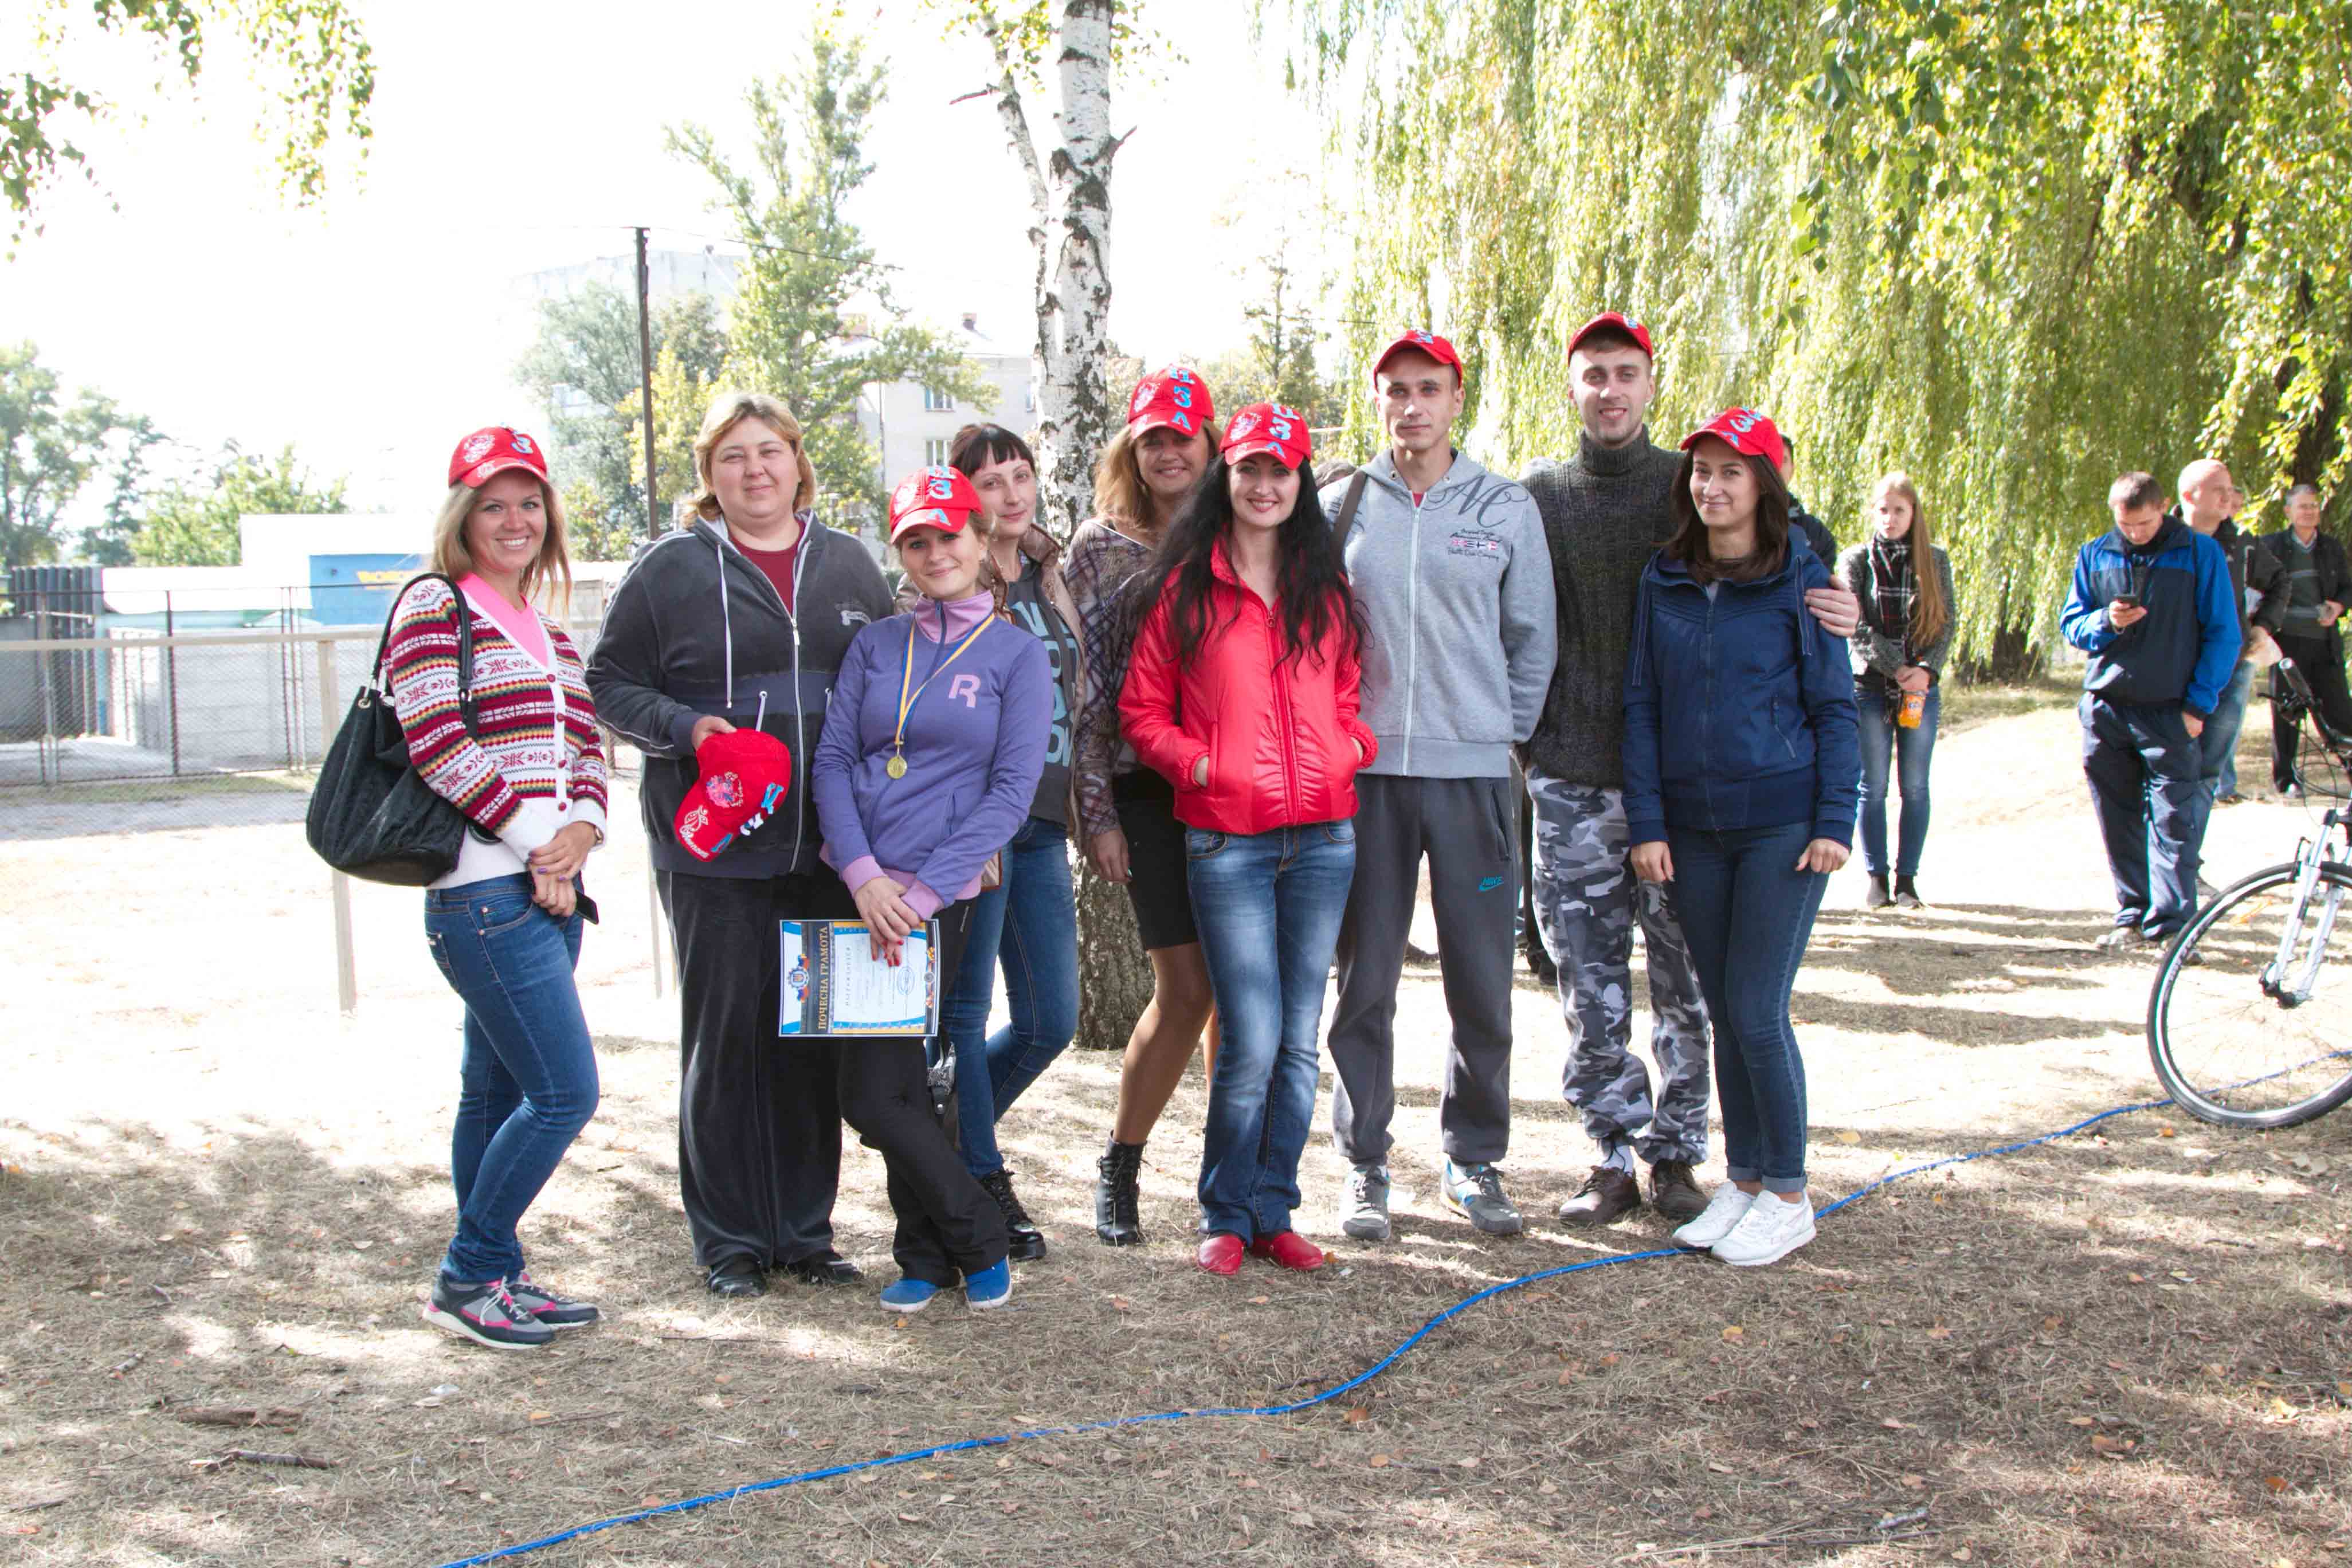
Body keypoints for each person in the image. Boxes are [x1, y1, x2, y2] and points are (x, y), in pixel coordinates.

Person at [1518, 313, 1860, 1229]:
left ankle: (1677, 1155)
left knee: (1688, 982)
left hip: (1686, 790)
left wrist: (1842, 596)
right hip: (1570, 779)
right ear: (1573, 386)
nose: (1611, 390)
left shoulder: (1694, 482)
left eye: (1626, 373)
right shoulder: (1540, 496)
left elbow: (1800, 538)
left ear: (1650, 384)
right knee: (1587, 980)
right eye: (1594, 375)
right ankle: (1609, 1153)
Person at [587, 391, 895, 1298]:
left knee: (812, 1042)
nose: (754, 470)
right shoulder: (669, 569)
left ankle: (804, 1234)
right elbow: (608, 681)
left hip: (829, 849)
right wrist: (688, 730)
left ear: (800, 463)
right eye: (733, 457)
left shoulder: (850, 565)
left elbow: (887, 689)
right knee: (726, 1042)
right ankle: (728, 1241)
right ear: (708, 476)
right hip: (713, 849)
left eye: (769, 452)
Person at [1120, 403, 1374, 1276]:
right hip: (1228, 841)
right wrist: (1200, 769)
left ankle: (1275, 1211)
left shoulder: (1324, 588)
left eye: (1282, 471)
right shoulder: (1187, 589)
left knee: (1300, 1038)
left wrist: (1351, 750)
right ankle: (1224, 1214)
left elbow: (1349, 699)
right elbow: (1141, 713)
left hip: (1325, 838)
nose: (1265, 485)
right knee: (1252, 1033)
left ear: (1300, 482)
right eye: (1250, 469)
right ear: (1227, 477)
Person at [1322, 329, 1557, 1241]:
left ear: (1457, 398)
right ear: (1378, 400)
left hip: (1471, 778)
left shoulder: (1503, 507)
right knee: (1366, 979)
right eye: (1395, 390)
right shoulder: (1343, 504)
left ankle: (1474, 1158)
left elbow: (1531, 636)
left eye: (1428, 388)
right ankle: (1364, 1164)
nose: (1411, 405)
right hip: (1370, 776)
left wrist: (1501, 737)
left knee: (1480, 980)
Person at [810, 465, 1051, 1312]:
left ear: (983, 543)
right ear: (901, 554)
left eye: (950, 534)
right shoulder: (877, 644)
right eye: (917, 540)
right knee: (889, 1088)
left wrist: (921, 895)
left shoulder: (1018, 655)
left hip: (943, 900)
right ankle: (927, 1255)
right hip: (860, 890)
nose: (935, 552)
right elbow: (834, 762)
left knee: (880, 1091)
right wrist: (866, 877)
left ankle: (969, 1234)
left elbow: (1012, 793)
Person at [1623, 407, 1857, 1268]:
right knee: (1724, 1010)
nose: (1712, 486)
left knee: (1759, 1008)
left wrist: (1836, 821)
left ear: (1765, 485)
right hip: (1693, 826)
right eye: (1702, 471)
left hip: (1782, 826)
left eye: (1732, 472)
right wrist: (1649, 821)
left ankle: (1790, 1193)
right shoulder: (1666, 578)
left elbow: (1834, 707)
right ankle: (1748, 1180)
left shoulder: (1805, 580)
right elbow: (1642, 703)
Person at [390, 427, 608, 1349]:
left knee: (494, 1093)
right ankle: (468, 1271)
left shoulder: (550, 631)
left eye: (529, 502)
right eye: (492, 504)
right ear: (461, 517)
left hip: (551, 888)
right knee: (565, 1094)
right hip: (482, 895)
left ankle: (502, 1275)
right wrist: (538, 850)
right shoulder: (434, 606)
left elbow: (589, 748)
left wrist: (582, 834)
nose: (514, 520)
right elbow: (438, 740)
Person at [1067, 366, 1224, 1247]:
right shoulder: (1103, 544)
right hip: (1145, 789)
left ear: (1210, 443)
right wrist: (1096, 813)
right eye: (1152, 438)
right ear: (1133, 448)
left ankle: (1224, 1180)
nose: (1169, 451)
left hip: (1234, 787)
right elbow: (1088, 689)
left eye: (1184, 436)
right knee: (1188, 988)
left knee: (1243, 993)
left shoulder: (1241, 528)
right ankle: (1120, 1164)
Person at [936, 423, 1086, 1261]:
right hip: (975, 832)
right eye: (990, 482)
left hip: (1043, 825)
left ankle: (937, 1130)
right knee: (963, 1015)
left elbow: (1079, 700)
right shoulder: (948, 576)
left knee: (1049, 1020)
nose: (1010, 493)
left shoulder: (1046, 569)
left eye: (1021, 474)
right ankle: (980, 1183)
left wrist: (1088, 813)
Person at [2058, 472, 2240, 950]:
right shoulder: (2095, 553)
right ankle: (2131, 915)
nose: (2134, 532)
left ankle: (2174, 928)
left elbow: (2225, 633)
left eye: (2142, 523)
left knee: (2174, 822)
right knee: (2117, 818)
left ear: (2163, 509)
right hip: (2106, 708)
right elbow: (2072, 624)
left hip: (2170, 710)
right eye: (2125, 524)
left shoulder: (2201, 554)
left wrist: (2200, 705)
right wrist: (2106, 621)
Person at [1839, 473, 1957, 910]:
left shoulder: (1935, 560)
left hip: (1920, 689)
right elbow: (1854, 624)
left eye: (1899, 511)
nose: (1890, 519)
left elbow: (1946, 621)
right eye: (1883, 510)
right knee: (1873, 785)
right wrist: (1898, 668)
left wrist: (1925, 670)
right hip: (1870, 685)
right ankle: (1876, 879)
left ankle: (1908, 880)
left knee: (1916, 786)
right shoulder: (1856, 560)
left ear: (1914, 514)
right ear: (1873, 512)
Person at [2171, 460, 2282, 807]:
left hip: (2230, 670)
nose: (2228, 497)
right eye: (2218, 489)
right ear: (2190, 496)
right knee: (2170, 768)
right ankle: (2168, 852)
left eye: (2230, 489)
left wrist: (2262, 627)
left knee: (2208, 771)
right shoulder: (2160, 540)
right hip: (2174, 670)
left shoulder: (2242, 544)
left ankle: (2187, 855)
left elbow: (2281, 582)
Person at [2258, 484, 2352, 794]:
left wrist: (2338, 606)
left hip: (2324, 643)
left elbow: (2348, 588)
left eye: (2314, 506)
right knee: (2288, 714)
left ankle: (2349, 772)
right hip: (2287, 643)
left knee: (2340, 712)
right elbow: (2257, 590)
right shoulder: (2272, 546)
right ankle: (2287, 780)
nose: (2309, 512)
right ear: (2288, 511)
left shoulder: (2331, 548)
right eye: (2303, 506)